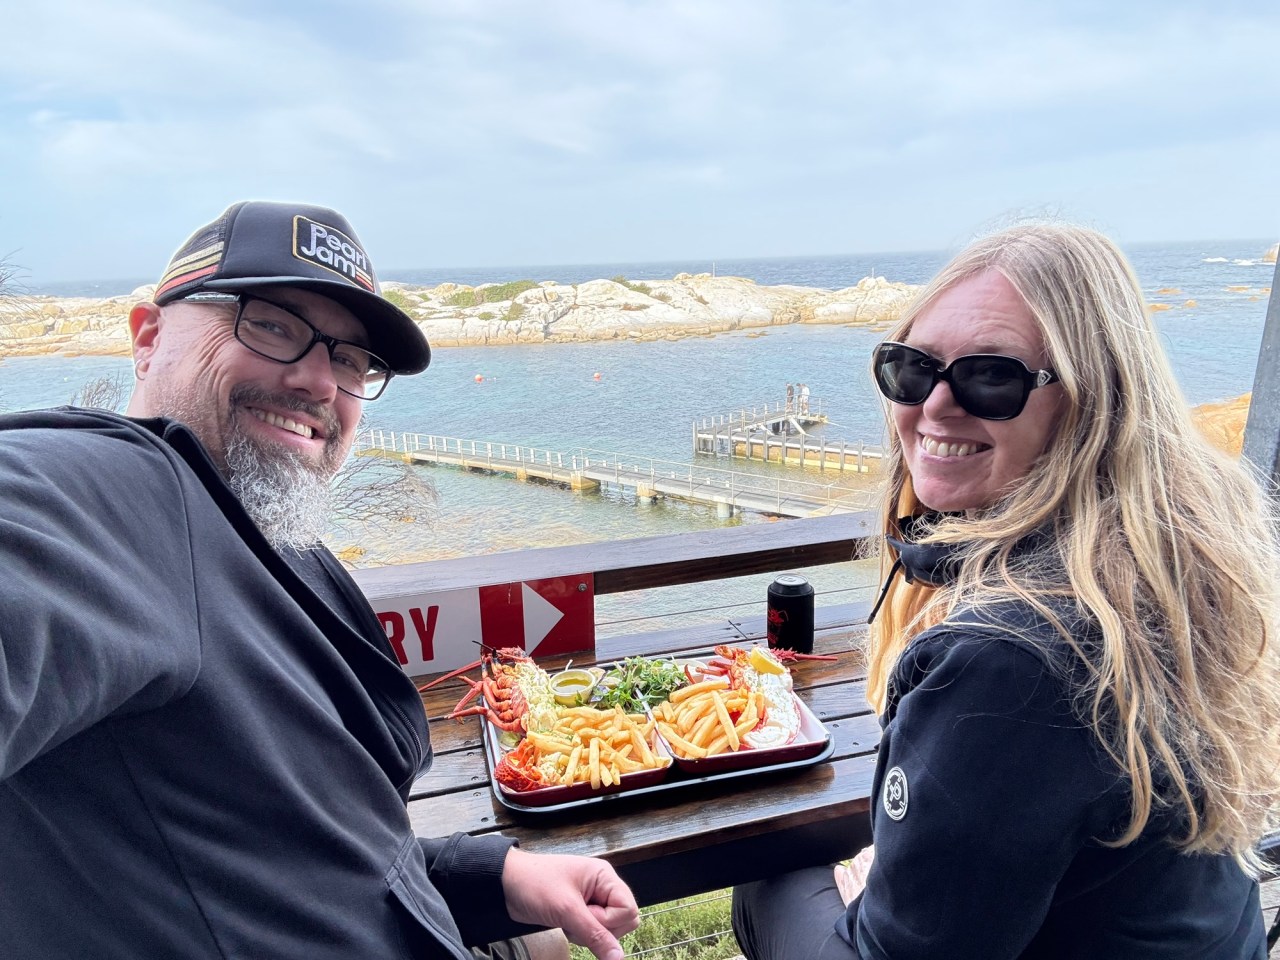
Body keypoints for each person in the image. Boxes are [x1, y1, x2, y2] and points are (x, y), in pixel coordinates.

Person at [0, 201, 639, 960]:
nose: (315, 380)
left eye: (351, 360)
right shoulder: (107, 490)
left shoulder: (268, 533)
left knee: (542, 938)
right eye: (270, 324)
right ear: (147, 338)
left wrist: (496, 873)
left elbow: (313, 846)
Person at [732, 223, 1280, 958]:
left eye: (993, 377)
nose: (934, 407)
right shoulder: (1169, 566)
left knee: (766, 877)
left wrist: (868, 901)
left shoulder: (1008, 658)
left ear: (1093, 402)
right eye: (911, 369)